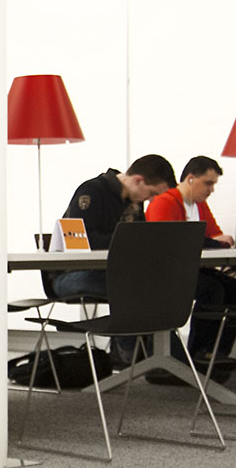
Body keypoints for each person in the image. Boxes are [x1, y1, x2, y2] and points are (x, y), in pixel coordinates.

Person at [145, 156, 236, 364]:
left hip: (193, 268)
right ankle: (198, 352)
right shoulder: (164, 202)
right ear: (191, 179)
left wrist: (210, 242)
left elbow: (217, 238)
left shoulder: (199, 205)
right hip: (166, 272)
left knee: (232, 288)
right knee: (212, 289)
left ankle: (216, 352)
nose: (211, 190)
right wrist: (210, 241)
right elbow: (169, 241)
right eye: (208, 183)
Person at [49, 154, 176, 301]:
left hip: (112, 272)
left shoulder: (135, 200)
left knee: (160, 281)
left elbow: (139, 240)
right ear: (138, 180)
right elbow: (79, 242)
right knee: (139, 284)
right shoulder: (91, 191)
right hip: (72, 274)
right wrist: (128, 242)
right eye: (152, 193)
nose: (151, 199)